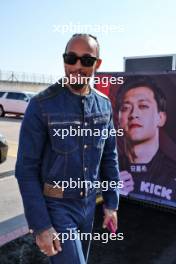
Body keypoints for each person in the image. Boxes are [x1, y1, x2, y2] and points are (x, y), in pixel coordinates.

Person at [15, 34, 120, 264]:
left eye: (86, 60)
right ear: (64, 60)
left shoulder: (104, 106)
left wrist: (111, 203)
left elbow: (109, 158)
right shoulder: (41, 105)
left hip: (88, 206)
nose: (77, 67)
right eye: (71, 58)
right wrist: (41, 225)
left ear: (97, 64)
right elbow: (25, 169)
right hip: (57, 207)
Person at [116, 76, 176, 206]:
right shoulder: (106, 170)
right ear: (119, 119)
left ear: (161, 118)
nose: (133, 114)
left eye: (143, 106)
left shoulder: (172, 174)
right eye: (125, 108)